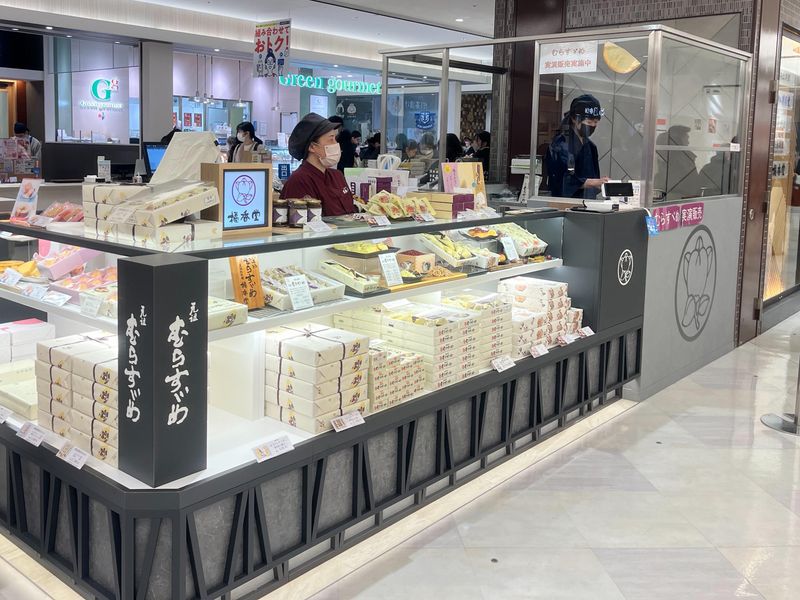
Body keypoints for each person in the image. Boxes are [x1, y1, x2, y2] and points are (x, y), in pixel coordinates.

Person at [280, 113, 354, 216]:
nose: (336, 144)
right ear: (312, 147)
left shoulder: (337, 176)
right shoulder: (299, 181)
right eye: (331, 139)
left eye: (335, 138)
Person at [545, 95, 608, 199]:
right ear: (575, 119)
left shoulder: (591, 147)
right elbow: (562, 181)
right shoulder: (560, 145)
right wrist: (593, 182)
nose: (592, 125)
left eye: (596, 122)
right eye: (589, 122)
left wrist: (601, 182)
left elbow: (594, 178)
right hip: (565, 203)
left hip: (588, 202)